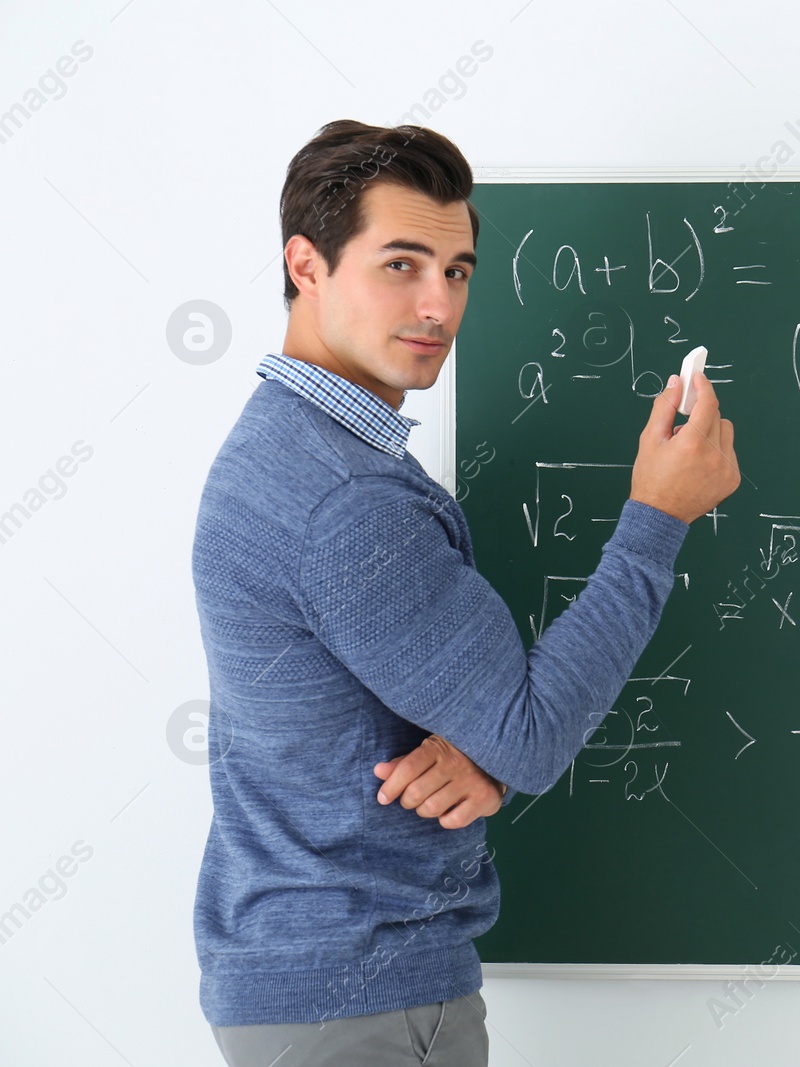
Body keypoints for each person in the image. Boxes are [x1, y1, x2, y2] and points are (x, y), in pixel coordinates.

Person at [191, 119, 739, 1066]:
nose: (438, 303)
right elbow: (526, 727)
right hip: (364, 997)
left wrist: (483, 752)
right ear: (306, 264)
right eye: (400, 264)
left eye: (458, 271)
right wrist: (658, 517)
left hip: (315, 978)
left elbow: (462, 723)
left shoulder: (287, 446)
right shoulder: (349, 497)